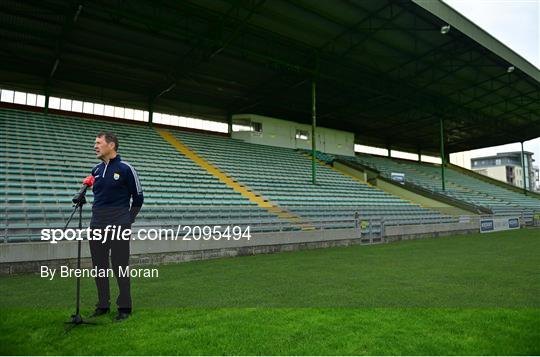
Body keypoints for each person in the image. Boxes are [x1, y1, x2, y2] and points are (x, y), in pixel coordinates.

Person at [88, 131, 143, 321]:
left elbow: (138, 197)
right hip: (97, 225)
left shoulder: (126, 168)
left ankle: (124, 308)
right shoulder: (95, 170)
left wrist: (128, 219)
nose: (95, 146)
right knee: (99, 267)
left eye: (98, 143)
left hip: (119, 224)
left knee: (120, 266)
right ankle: (103, 305)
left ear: (111, 145)